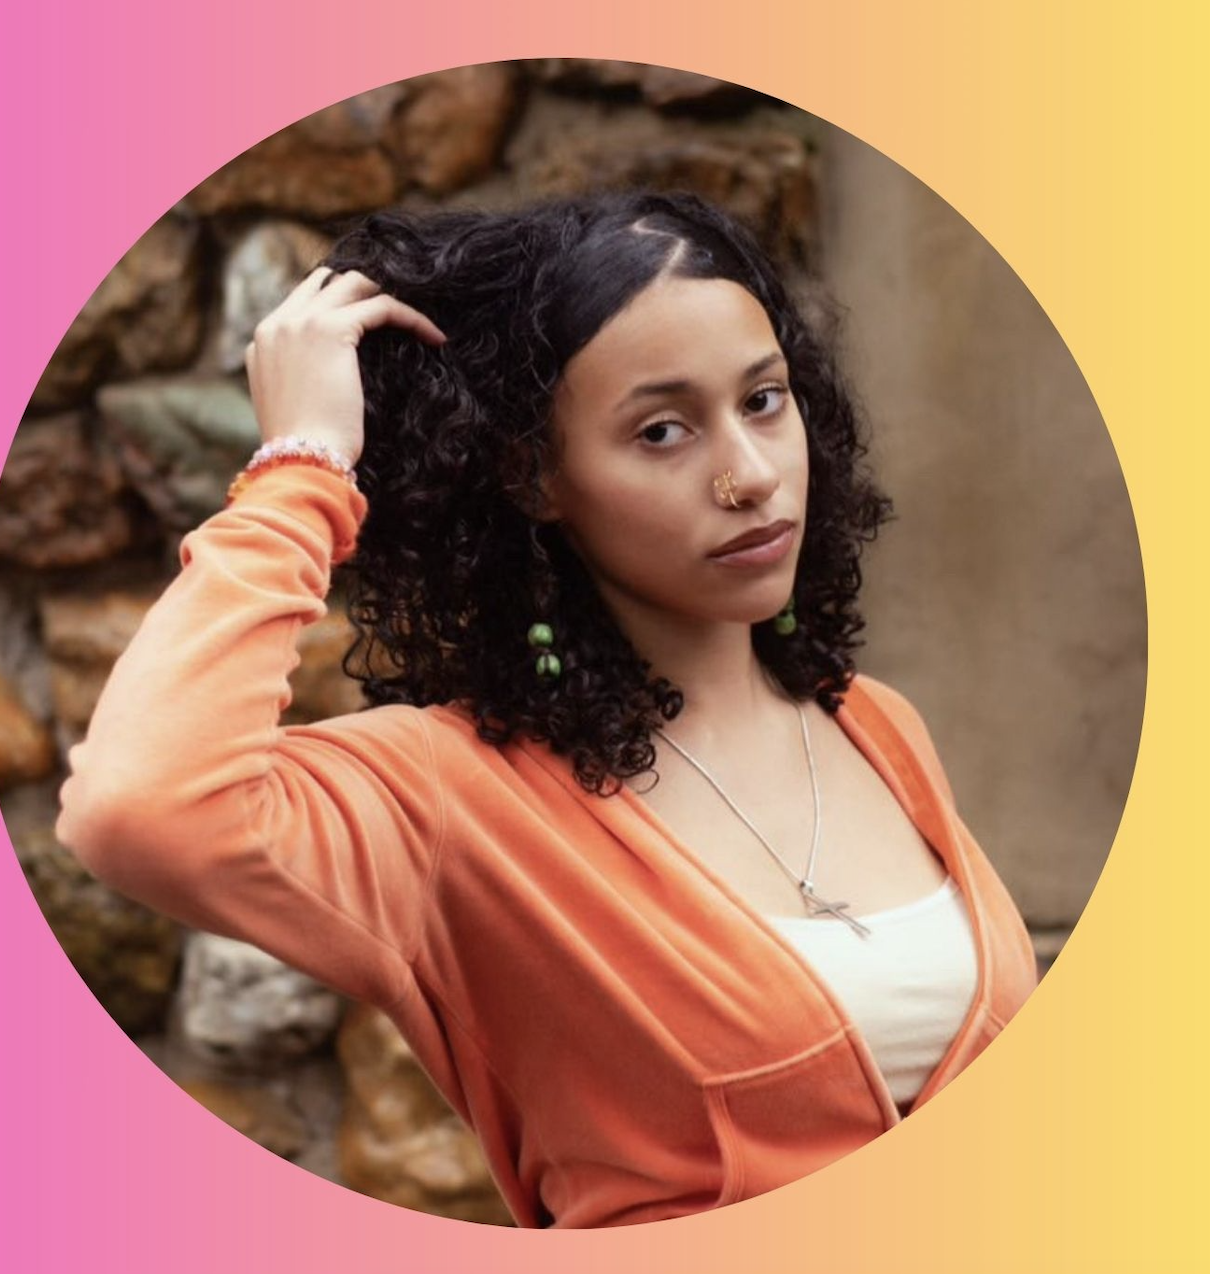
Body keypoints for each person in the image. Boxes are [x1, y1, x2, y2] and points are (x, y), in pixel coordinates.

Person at [55, 188, 1040, 1229]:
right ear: (532, 479)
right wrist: (300, 472)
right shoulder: (451, 792)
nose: (750, 475)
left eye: (762, 400)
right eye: (662, 430)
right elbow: (135, 806)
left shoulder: (872, 722)